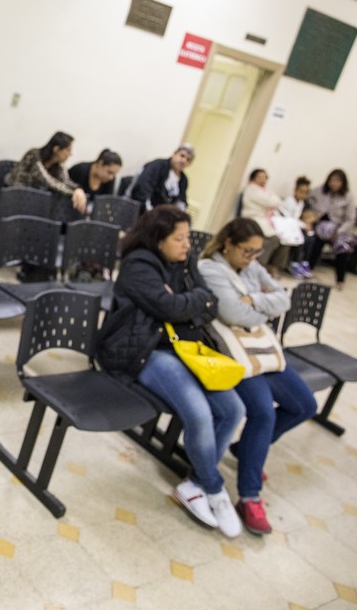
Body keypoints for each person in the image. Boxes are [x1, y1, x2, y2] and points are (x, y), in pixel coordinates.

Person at [96, 205, 244, 538]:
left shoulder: (185, 261)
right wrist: (187, 303)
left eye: (187, 237)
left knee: (234, 409)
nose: (186, 245)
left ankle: (194, 484)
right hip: (144, 351)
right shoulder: (138, 266)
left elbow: (210, 302)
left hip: (187, 348)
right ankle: (215, 490)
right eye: (179, 238)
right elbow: (170, 307)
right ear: (157, 239)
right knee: (200, 414)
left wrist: (185, 302)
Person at [198, 218, 318, 535]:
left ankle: (249, 448)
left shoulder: (251, 267)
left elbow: (284, 298)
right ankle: (249, 496)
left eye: (257, 253)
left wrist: (255, 301)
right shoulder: (211, 268)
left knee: (304, 405)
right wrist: (263, 307)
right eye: (247, 252)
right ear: (228, 245)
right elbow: (233, 314)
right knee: (262, 412)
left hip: (260, 349)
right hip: (233, 352)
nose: (253, 259)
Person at [4, 131, 88, 214]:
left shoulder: (58, 164)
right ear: (56, 149)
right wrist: (73, 192)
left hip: (33, 199)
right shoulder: (33, 155)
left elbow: (65, 180)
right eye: (68, 150)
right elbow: (49, 181)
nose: (70, 154)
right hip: (15, 193)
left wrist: (78, 189)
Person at [306, 168, 357, 290]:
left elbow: (350, 219)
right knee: (317, 241)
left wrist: (338, 232)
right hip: (320, 224)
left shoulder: (348, 197)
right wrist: (311, 213)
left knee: (343, 247)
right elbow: (306, 196)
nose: (334, 183)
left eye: (337, 181)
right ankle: (308, 269)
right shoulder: (320, 190)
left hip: (338, 228)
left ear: (343, 183)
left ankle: (340, 279)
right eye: (332, 180)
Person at [239, 169, 283, 274]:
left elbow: (277, 201)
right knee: (271, 239)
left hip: (264, 220)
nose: (263, 180)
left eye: (265, 177)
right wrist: (273, 201)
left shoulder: (265, 190)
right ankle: (260, 266)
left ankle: (272, 267)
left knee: (282, 240)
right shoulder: (251, 189)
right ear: (253, 178)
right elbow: (271, 202)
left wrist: (273, 201)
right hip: (252, 219)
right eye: (260, 177)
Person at [129, 143, 194, 213]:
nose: (183, 161)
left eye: (188, 159)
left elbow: (181, 202)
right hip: (142, 210)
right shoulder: (157, 166)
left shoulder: (183, 180)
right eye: (182, 156)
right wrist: (150, 212)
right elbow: (142, 188)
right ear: (174, 154)